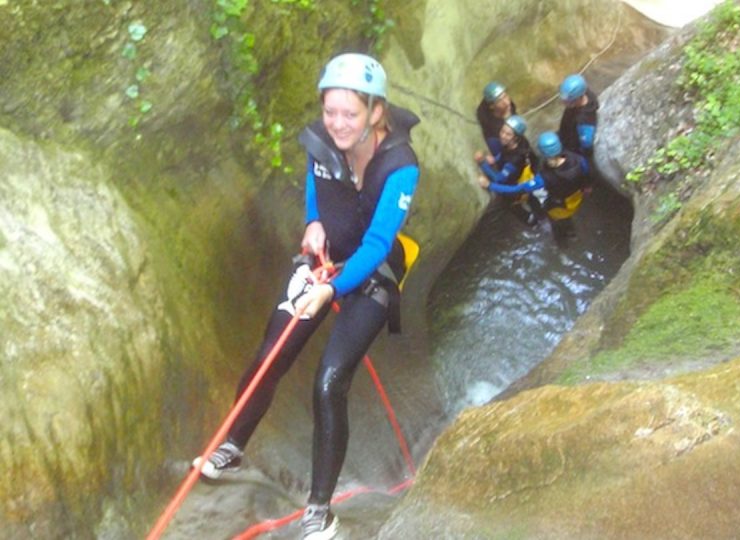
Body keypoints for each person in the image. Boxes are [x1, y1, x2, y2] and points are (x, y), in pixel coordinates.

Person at [192, 53, 420, 540]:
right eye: (329, 111)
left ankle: (321, 510)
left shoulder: (400, 167)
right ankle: (233, 445)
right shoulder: (321, 143)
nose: (337, 123)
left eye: (350, 114)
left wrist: (332, 289)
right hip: (325, 261)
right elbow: (316, 190)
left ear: (376, 112)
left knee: (327, 382)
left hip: (370, 275)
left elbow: (379, 243)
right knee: (269, 356)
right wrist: (313, 223)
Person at [478, 131, 590, 240]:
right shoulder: (578, 160)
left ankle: (561, 240)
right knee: (566, 219)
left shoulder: (544, 178)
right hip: (575, 199)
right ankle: (571, 233)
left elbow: (517, 189)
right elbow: (586, 178)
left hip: (557, 206)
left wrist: (489, 185)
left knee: (556, 223)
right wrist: (586, 188)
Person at [557, 74, 598, 159]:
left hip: (572, 145)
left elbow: (586, 144)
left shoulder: (584, 120)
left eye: (567, 101)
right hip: (566, 130)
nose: (564, 103)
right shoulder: (585, 93)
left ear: (578, 99)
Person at [476, 80, 517, 155]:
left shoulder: (509, 104)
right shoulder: (492, 127)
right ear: (492, 106)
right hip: (497, 142)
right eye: (500, 101)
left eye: (505, 96)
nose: (506, 102)